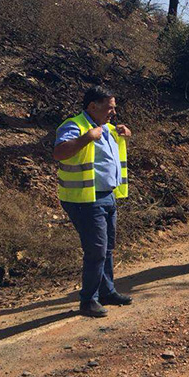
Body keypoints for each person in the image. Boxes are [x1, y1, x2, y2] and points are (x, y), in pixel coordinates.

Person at [54, 86, 133, 318]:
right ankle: (88, 300)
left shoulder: (107, 128)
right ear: (92, 106)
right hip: (85, 199)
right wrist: (87, 138)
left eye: (114, 108)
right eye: (109, 108)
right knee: (96, 250)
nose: (113, 113)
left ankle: (106, 291)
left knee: (107, 248)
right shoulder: (74, 125)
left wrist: (124, 134)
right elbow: (59, 152)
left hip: (106, 195)